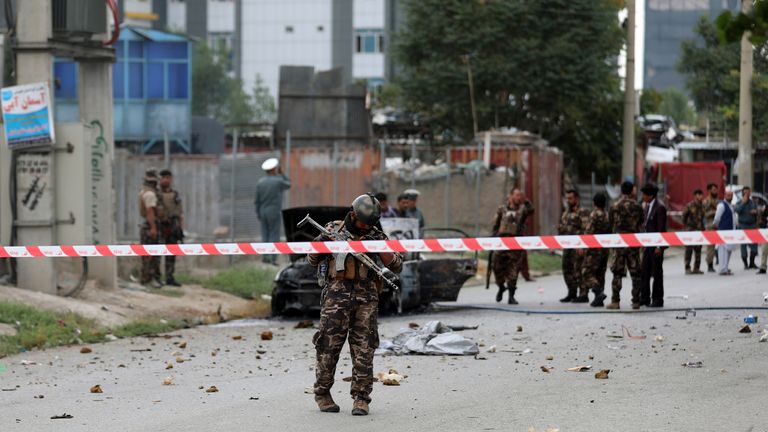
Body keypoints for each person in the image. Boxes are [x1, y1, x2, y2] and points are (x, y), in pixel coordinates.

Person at [307, 194, 403, 416]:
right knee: (327, 347)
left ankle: (361, 398)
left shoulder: (376, 235)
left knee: (364, 348)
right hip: (336, 296)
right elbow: (311, 259)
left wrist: (379, 248)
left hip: (367, 297)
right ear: (353, 215)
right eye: (363, 222)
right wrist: (322, 245)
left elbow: (397, 265)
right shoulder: (333, 229)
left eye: (370, 223)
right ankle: (322, 393)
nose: (366, 227)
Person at [490, 188, 534, 305]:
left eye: (520, 196)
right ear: (511, 196)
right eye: (516, 195)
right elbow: (495, 224)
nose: (518, 198)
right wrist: (493, 239)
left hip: (515, 244)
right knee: (496, 267)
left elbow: (531, 210)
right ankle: (501, 287)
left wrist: (526, 201)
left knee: (513, 271)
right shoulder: (502, 209)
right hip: (502, 243)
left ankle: (511, 296)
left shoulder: (523, 209)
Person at [606, 181, 644, 310]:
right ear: (632, 190)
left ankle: (615, 301)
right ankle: (636, 301)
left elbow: (610, 223)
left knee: (617, 272)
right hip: (633, 243)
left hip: (619, 243)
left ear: (622, 191)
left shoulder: (615, 206)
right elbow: (641, 223)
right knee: (635, 273)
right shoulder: (637, 206)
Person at [255, 158, 291, 265]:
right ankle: (273, 259)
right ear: (274, 169)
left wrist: (258, 213)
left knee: (265, 234)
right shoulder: (278, 181)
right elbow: (288, 184)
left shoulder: (260, 182)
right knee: (274, 235)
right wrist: (282, 173)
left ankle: (265, 257)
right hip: (274, 211)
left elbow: (257, 200)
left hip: (262, 211)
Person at [557, 189, 590, 303]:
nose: (568, 200)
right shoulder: (566, 213)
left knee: (579, 270)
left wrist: (582, 246)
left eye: (570, 198)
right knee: (567, 269)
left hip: (578, 246)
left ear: (576, 198)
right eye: (567, 198)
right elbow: (563, 227)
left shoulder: (583, 212)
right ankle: (572, 292)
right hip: (567, 246)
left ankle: (583, 294)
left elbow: (586, 230)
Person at [581, 192, 611, 307]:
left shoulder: (594, 215)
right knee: (600, 273)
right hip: (604, 249)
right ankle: (599, 299)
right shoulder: (607, 215)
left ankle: (598, 292)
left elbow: (589, 231)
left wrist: (583, 246)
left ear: (594, 203)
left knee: (586, 271)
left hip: (594, 249)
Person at [640, 183, 667, 308]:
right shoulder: (647, 206)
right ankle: (644, 297)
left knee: (657, 274)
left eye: (644, 194)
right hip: (647, 245)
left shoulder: (659, 207)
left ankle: (657, 299)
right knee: (645, 271)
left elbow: (661, 229)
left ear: (650, 195)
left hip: (655, 246)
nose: (642, 196)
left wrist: (659, 247)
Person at [138, 168, 164, 288]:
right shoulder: (149, 194)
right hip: (150, 226)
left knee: (149, 253)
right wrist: (153, 228)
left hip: (148, 225)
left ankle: (148, 278)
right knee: (152, 254)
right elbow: (150, 211)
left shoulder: (145, 192)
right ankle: (149, 278)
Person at [158, 169, 184, 286]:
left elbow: (179, 212)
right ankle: (156, 277)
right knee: (156, 252)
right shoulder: (156, 194)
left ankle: (169, 277)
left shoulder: (175, 194)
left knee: (171, 252)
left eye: (168, 178)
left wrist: (180, 228)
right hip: (160, 225)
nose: (165, 180)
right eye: (163, 178)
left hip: (172, 226)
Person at [681, 189, 705, 275]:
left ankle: (696, 268)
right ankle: (687, 267)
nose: (701, 197)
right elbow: (683, 216)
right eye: (699, 195)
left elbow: (703, 217)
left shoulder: (702, 206)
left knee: (698, 249)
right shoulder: (690, 205)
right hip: (690, 231)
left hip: (699, 231)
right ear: (695, 196)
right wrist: (687, 226)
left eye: (701, 195)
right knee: (689, 249)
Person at [734, 186, 758, 269]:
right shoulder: (739, 202)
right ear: (743, 193)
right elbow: (737, 210)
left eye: (748, 192)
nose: (747, 194)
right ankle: (745, 263)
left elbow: (757, 211)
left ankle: (752, 262)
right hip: (743, 226)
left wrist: (755, 212)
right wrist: (743, 203)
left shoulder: (752, 202)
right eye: (745, 192)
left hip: (752, 226)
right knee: (743, 246)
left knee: (754, 245)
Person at [714, 189, 736, 275]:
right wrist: (719, 227)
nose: (729, 197)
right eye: (728, 195)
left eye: (731, 195)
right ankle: (723, 269)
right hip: (723, 232)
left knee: (729, 250)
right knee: (723, 251)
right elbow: (716, 219)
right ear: (724, 195)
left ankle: (725, 268)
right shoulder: (721, 205)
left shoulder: (730, 205)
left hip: (731, 232)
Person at [702, 183, 720, 272]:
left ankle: (720, 262)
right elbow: (704, 214)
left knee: (721, 246)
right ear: (709, 191)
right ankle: (710, 264)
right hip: (710, 226)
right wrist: (714, 212)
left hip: (719, 226)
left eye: (716, 189)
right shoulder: (706, 202)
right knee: (710, 247)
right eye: (713, 190)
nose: (715, 191)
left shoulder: (718, 201)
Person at [757, 204, 768, 274]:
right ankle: (763, 267)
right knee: (764, 249)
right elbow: (763, 218)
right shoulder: (767, 207)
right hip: (766, 231)